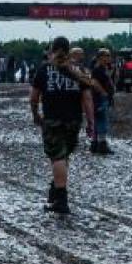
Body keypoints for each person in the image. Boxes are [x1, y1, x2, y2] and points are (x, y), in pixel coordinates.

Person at [30, 36, 96, 215]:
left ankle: (61, 198)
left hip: (53, 119)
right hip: (73, 120)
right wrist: (91, 121)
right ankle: (56, 186)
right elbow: (87, 98)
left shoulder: (44, 69)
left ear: (52, 49)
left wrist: (35, 114)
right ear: (69, 50)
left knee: (57, 157)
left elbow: (34, 97)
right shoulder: (80, 70)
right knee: (64, 155)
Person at [90, 48, 115, 155]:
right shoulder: (97, 69)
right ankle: (102, 145)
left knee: (97, 121)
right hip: (100, 98)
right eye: (107, 55)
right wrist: (103, 92)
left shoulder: (103, 68)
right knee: (102, 121)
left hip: (101, 98)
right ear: (101, 57)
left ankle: (95, 144)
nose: (109, 57)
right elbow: (94, 82)